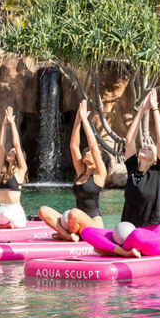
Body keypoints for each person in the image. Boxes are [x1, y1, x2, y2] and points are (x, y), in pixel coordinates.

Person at [81, 89, 160, 257]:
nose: (145, 146)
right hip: (125, 232)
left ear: (156, 158)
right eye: (144, 145)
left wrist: (155, 108)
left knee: (136, 235)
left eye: (150, 148)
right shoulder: (133, 172)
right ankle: (123, 251)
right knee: (87, 233)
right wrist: (141, 111)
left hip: (153, 235)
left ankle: (114, 249)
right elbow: (130, 139)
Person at [39, 99, 107, 241]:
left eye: (90, 153)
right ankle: (68, 235)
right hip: (74, 220)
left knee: (74, 213)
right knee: (43, 210)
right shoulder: (81, 172)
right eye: (86, 151)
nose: (86, 152)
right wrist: (77, 119)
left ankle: (70, 233)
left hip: (92, 224)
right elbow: (73, 146)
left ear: (97, 159)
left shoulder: (99, 175)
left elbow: (94, 146)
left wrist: (85, 120)